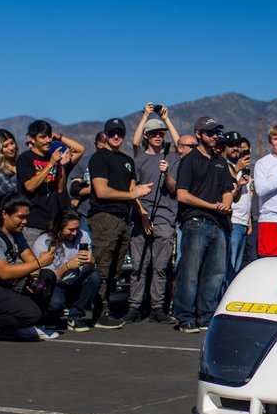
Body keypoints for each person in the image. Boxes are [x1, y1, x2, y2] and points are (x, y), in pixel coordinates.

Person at [0, 192, 59, 342]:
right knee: (31, 313)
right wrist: (40, 263)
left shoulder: (16, 234)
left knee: (46, 276)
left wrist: (33, 279)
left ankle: (29, 324)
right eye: (20, 217)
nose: (25, 221)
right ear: (4, 214)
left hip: (4, 287)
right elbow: (4, 272)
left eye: (26, 217)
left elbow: (30, 259)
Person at [173, 116, 240, 333]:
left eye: (216, 133)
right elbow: (182, 195)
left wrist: (225, 205)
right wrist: (212, 206)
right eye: (210, 133)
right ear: (199, 134)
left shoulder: (220, 161)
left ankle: (206, 316)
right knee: (190, 272)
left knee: (215, 273)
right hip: (195, 221)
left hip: (219, 223)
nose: (214, 136)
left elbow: (228, 189)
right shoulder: (189, 160)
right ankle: (185, 317)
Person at [87, 118, 151, 329]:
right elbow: (101, 191)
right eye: (112, 133)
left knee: (115, 268)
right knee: (103, 266)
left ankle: (106, 307)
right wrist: (132, 194)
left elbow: (133, 193)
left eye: (120, 133)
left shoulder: (127, 161)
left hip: (123, 220)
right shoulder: (99, 158)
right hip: (104, 218)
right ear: (104, 135)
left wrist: (141, 212)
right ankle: (99, 310)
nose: (116, 136)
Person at [126, 115, 180, 324]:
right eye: (154, 134)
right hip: (142, 217)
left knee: (160, 266)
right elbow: (132, 191)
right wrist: (142, 215)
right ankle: (134, 306)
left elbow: (174, 188)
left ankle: (157, 307)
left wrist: (166, 174)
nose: (158, 137)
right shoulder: (138, 160)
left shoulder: (172, 158)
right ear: (146, 137)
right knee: (139, 265)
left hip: (165, 216)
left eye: (161, 133)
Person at [16, 120, 84, 247]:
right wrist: (51, 164)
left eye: (49, 136)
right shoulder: (25, 158)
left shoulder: (54, 157)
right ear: (33, 139)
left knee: (52, 264)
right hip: (32, 224)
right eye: (42, 137)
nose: (47, 140)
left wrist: (62, 167)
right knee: (33, 264)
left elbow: (60, 189)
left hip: (52, 223)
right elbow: (29, 187)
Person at [32, 210, 99, 331]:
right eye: (70, 230)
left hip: (74, 281)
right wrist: (67, 266)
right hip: (55, 284)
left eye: (76, 228)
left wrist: (91, 262)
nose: (74, 233)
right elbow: (47, 278)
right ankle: (49, 315)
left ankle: (75, 316)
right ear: (58, 228)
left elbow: (88, 269)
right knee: (56, 305)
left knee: (94, 277)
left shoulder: (83, 236)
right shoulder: (44, 242)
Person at [253, 124, 277, 257]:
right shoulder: (262, 163)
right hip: (271, 220)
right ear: (270, 141)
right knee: (270, 263)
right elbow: (260, 190)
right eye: (276, 139)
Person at [225, 136, 253, 278]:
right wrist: (237, 169)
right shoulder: (227, 166)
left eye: (246, 151)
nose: (241, 152)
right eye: (233, 146)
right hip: (233, 222)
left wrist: (249, 219)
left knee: (236, 268)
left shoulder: (245, 170)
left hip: (243, 222)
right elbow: (229, 191)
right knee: (228, 266)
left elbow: (248, 197)